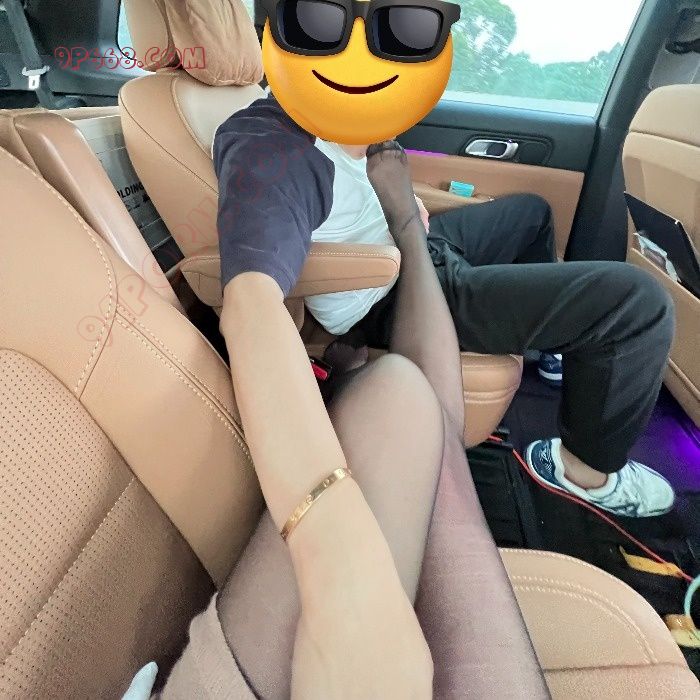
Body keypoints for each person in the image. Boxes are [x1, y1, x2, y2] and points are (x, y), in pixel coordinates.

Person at [213, 94, 676, 519]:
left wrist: (406, 207)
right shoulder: (268, 148)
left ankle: (552, 349)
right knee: (637, 303)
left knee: (532, 212)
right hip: (387, 294)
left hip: (415, 247)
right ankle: (583, 473)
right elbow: (252, 299)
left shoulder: (330, 110)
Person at [146, 142, 473, 699]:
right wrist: (341, 576)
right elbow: (249, 299)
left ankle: (354, 373)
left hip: (387, 289)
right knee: (406, 401)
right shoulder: (266, 140)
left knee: (400, 395)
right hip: (370, 292)